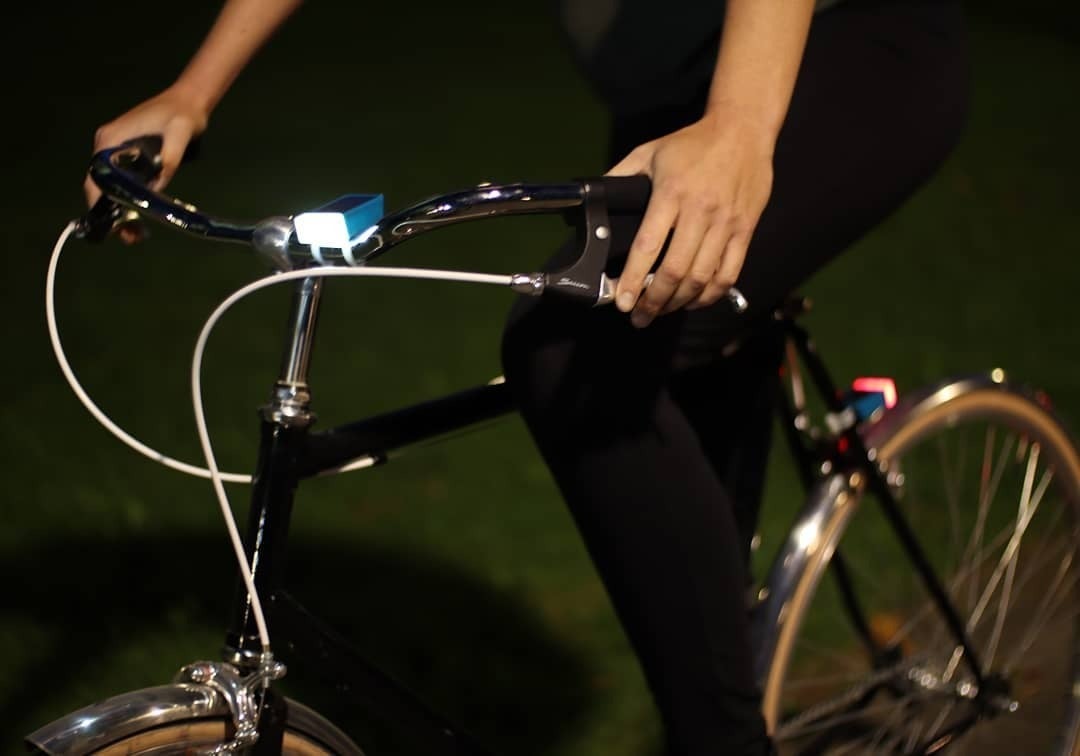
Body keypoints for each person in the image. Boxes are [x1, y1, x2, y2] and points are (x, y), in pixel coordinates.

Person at [85, 0, 969, 753]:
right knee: (665, 451)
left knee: (569, 346)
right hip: (669, 102)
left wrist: (739, 129)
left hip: (840, 51)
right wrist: (192, 93)